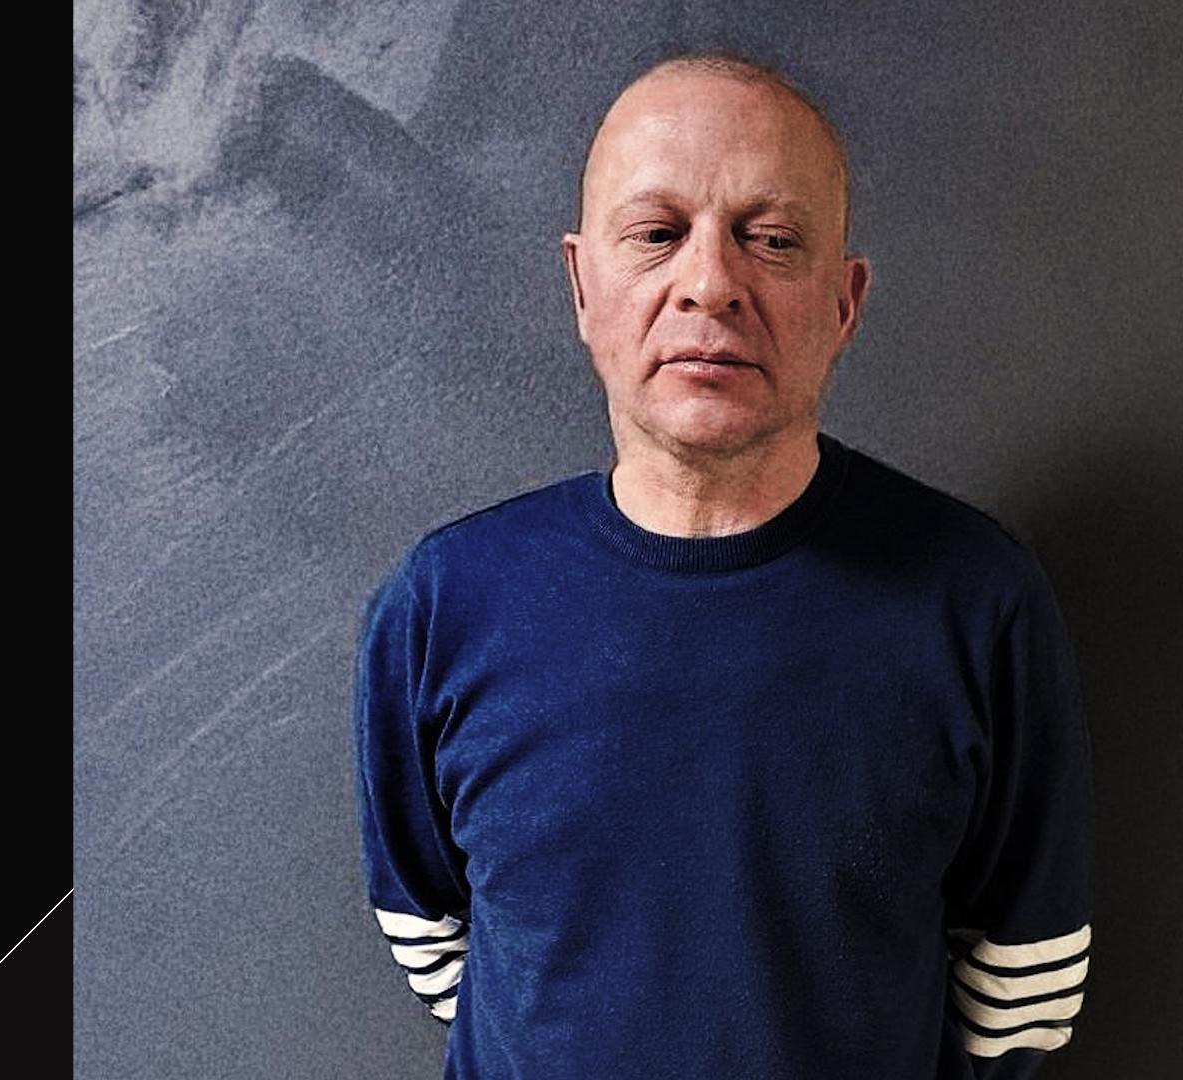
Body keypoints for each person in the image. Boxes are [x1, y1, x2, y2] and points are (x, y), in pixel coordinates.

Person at [353, 50, 1095, 1080]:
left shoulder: (976, 604)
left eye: (772, 240)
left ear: (844, 302)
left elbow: (1025, 981)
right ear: (582, 284)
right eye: (657, 234)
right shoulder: (444, 607)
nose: (709, 285)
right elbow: (430, 934)